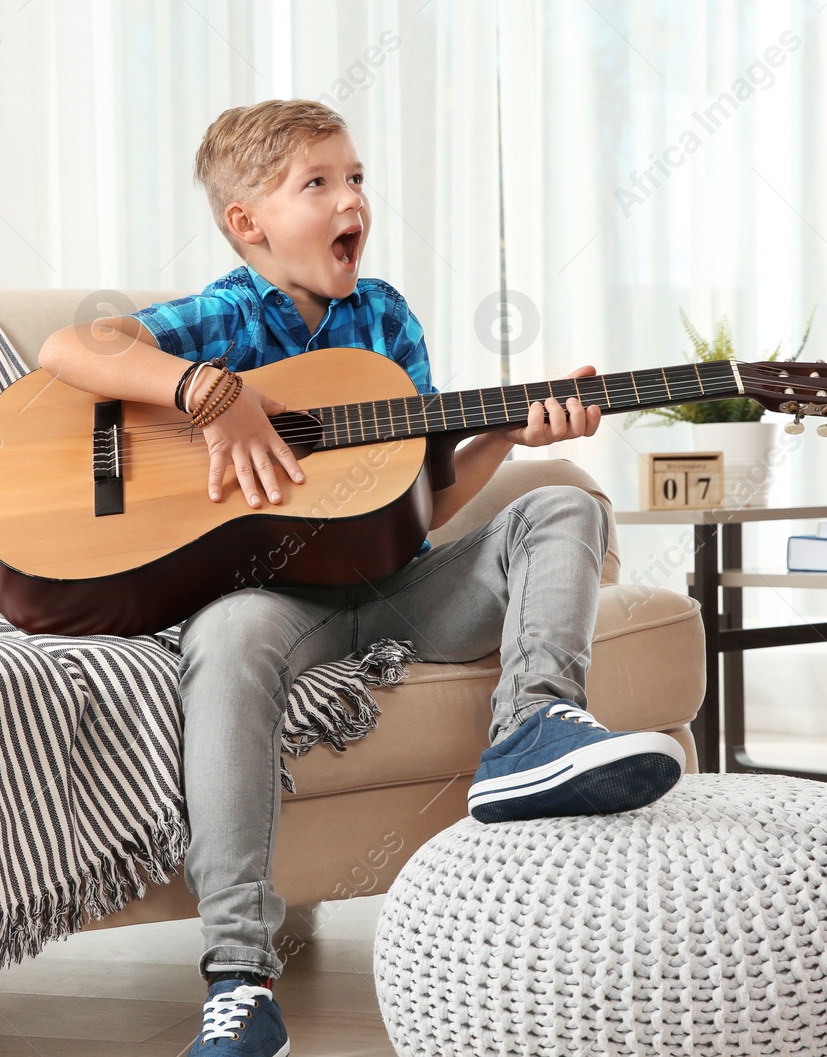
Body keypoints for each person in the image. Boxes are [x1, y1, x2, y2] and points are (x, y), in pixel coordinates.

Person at [34, 99, 684, 1057]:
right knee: (223, 637)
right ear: (247, 223)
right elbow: (68, 350)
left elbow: (425, 497)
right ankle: (241, 980)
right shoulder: (219, 317)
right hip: (279, 600)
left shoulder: (382, 318)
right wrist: (213, 394)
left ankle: (534, 727)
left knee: (567, 502)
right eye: (319, 184)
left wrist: (504, 433)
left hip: (396, 582)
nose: (353, 200)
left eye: (357, 179)